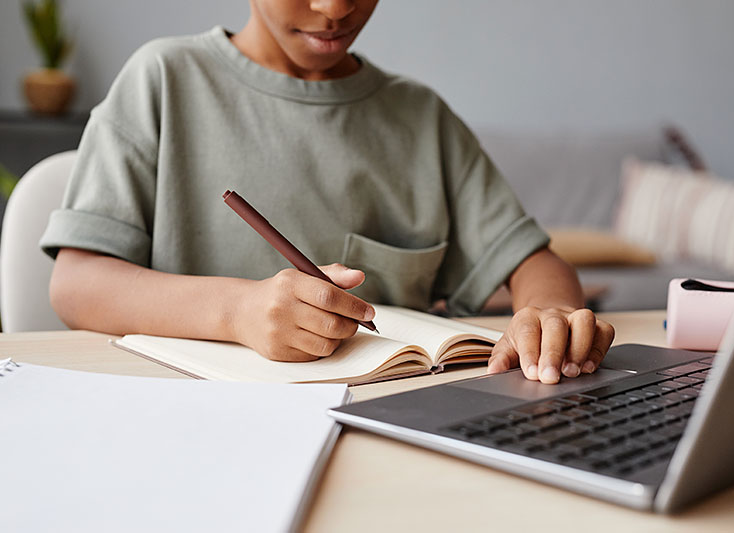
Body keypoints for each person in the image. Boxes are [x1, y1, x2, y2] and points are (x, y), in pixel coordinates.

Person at [41, 0, 614, 384]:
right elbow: (76, 284)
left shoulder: (420, 119)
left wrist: (549, 313)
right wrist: (237, 312)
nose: (335, 7)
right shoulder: (163, 81)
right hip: (191, 416)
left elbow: (533, 260)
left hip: (389, 427)